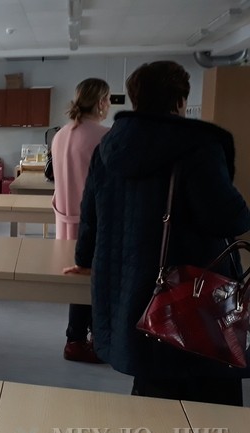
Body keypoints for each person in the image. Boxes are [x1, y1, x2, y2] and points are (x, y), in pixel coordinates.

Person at [64, 61, 250, 406]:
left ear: (135, 99)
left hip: (129, 281)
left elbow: (91, 214)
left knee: (151, 377)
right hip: (189, 288)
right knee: (208, 389)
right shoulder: (198, 146)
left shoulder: (110, 146)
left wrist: (84, 260)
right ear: (180, 100)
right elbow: (227, 218)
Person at [51, 78, 111, 363]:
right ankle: (92, 340)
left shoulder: (61, 134)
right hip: (94, 223)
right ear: (100, 102)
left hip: (64, 221)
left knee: (79, 282)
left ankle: (76, 338)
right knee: (97, 283)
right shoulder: (104, 136)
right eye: (108, 99)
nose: (109, 105)